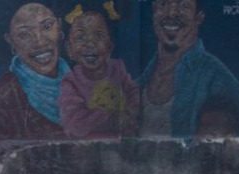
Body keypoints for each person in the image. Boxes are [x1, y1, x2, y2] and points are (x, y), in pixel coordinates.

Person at [0, 2, 70, 142]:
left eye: (47, 26)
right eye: (24, 34)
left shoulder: (84, 85)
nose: (39, 41)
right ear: (10, 40)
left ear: (59, 26)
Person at [140, 0, 239, 137]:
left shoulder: (218, 78)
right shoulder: (137, 83)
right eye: (163, 4)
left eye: (183, 5)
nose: (172, 13)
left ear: (199, 17)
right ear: (154, 12)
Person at [59, 11, 140, 139]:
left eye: (99, 36)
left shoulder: (118, 68)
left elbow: (133, 93)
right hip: (87, 149)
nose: (90, 44)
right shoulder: (71, 82)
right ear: (69, 49)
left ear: (110, 46)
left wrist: (130, 114)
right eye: (80, 37)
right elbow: (75, 125)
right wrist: (111, 116)